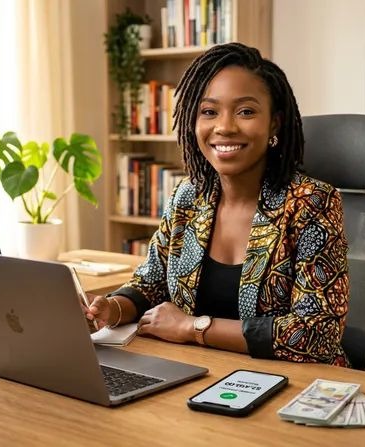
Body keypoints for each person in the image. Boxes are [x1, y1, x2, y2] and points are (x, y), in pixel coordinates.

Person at [86, 43, 350, 366]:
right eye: (209, 112)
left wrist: (193, 327)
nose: (224, 127)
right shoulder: (188, 196)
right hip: (199, 374)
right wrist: (113, 308)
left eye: (246, 111)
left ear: (275, 124)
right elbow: (150, 282)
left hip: (293, 388)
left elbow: (316, 334)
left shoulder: (311, 203)